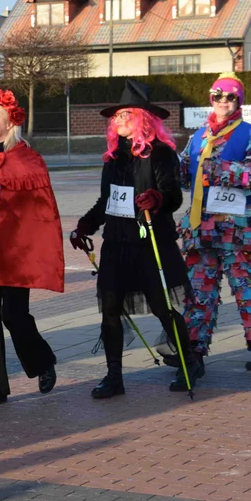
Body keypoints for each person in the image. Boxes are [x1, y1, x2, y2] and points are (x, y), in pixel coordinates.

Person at [71, 80, 190, 399]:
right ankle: (113, 376)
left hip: (150, 242)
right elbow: (106, 201)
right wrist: (85, 225)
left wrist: (157, 198)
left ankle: (188, 362)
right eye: (116, 115)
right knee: (109, 308)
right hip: (116, 244)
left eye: (126, 113)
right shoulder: (112, 159)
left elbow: (174, 195)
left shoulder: (162, 154)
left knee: (162, 307)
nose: (118, 119)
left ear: (143, 117)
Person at [177, 73, 251, 376]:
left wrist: (223, 169)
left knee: (247, 287)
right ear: (211, 98)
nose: (224, 101)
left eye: (231, 96)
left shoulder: (250, 133)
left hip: (239, 228)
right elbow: (185, 175)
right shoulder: (198, 137)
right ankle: (193, 348)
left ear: (239, 101)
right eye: (218, 95)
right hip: (202, 226)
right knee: (198, 289)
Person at [0, 88, 63, 406]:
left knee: (14, 315)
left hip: (14, 250)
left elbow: (41, 213)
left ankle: (42, 362)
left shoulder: (28, 161)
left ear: (8, 123)